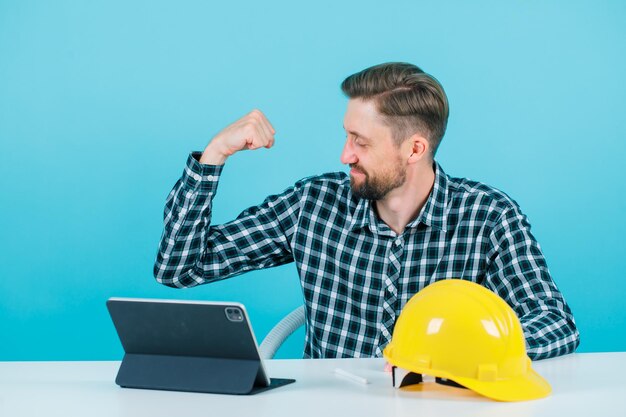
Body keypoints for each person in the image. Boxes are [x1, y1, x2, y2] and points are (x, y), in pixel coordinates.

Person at [154, 62, 580, 360]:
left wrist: (465, 350)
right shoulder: (312, 206)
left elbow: (554, 322)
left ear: (414, 148)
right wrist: (214, 155)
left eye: (361, 142)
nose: (344, 155)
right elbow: (180, 267)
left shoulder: (488, 218)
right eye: (346, 136)